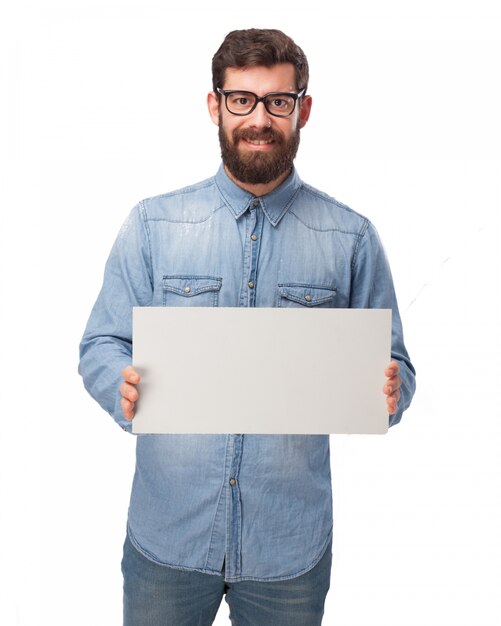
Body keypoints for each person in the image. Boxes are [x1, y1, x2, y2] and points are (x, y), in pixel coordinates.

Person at [79, 28, 416, 626]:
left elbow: (396, 368)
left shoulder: (351, 238)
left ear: (302, 109)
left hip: (288, 549)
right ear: (215, 105)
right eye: (242, 99)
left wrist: (390, 393)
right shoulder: (154, 223)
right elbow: (102, 343)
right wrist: (119, 384)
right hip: (168, 538)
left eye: (278, 102)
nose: (259, 118)